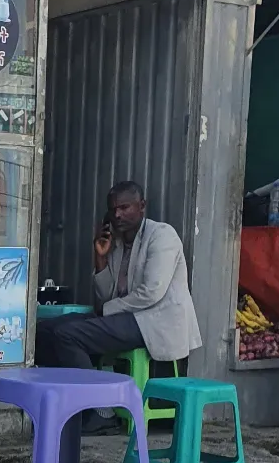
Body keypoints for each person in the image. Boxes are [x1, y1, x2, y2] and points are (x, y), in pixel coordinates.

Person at [37, 180, 202, 428]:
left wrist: (106, 310)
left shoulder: (162, 235)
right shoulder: (117, 243)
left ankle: (101, 410)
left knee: (67, 335)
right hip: (124, 317)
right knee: (43, 332)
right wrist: (101, 258)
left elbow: (151, 293)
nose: (117, 215)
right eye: (113, 209)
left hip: (154, 321)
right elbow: (106, 297)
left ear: (142, 206)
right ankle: (70, 406)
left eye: (124, 207)